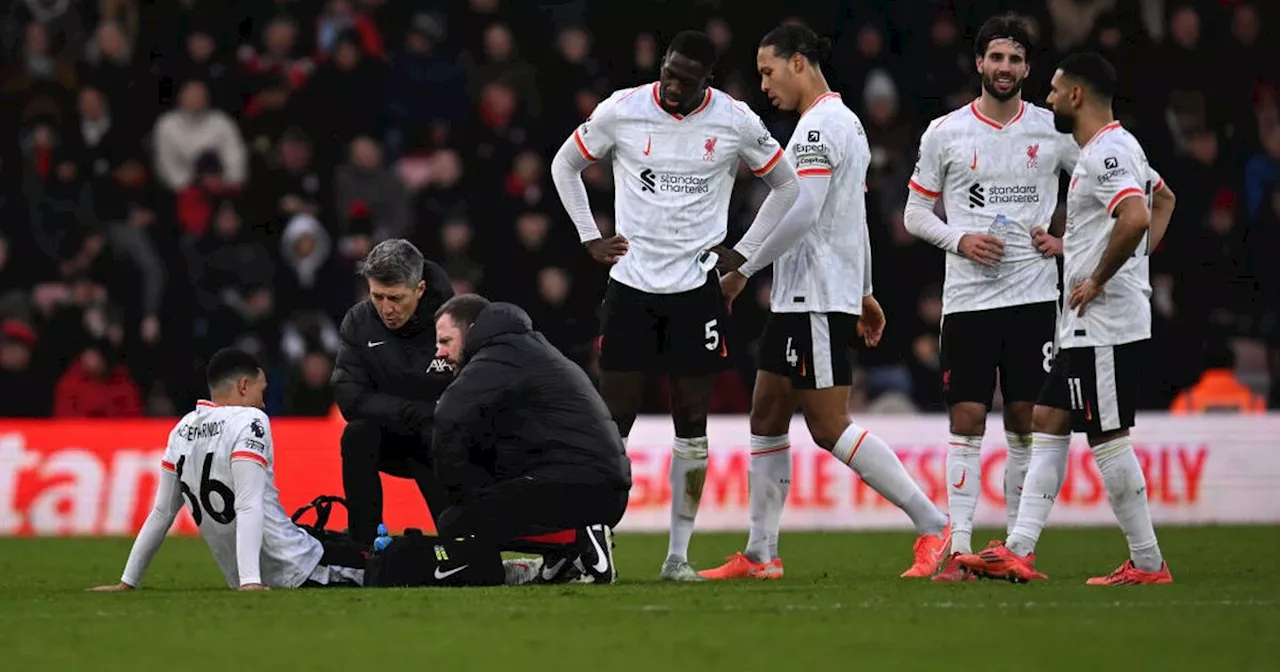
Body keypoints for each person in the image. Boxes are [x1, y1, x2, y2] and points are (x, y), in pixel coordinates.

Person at [699, 24, 952, 581]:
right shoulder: (842, 124)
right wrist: (863, 289)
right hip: (806, 294)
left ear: (798, 63)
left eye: (768, 71)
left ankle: (934, 524)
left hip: (812, 295)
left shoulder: (818, 129)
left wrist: (744, 267)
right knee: (765, 412)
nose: (764, 85)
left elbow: (806, 212)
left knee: (829, 425)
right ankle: (762, 554)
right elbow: (847, 217)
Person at [550, 30, 800, 581]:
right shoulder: (622, 109)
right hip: (631, 288)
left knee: (692, 423)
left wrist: (743, 254)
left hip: (696, 292)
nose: (672, 85)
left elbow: (787, 186)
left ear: (706, 81)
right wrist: (590, 235)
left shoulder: (733, 121)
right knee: (613, 422)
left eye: (686, 80)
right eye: (668, 71)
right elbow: (564, 164)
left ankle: (677, 557)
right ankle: (596, 547)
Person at [957, 52, 1177, 585]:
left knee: (1107, 435)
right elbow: (1163, 197)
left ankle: (1148, 562)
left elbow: (1138, 214)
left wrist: (1103, 277)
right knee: (1048, 419)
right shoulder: (1111, 150)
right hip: (1082, 322)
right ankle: (1018, 549)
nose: (1048, 98)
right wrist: (1119, 260)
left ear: (1077, 96)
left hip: (1103, 321)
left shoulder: (1106, 154)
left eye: (1055, 90)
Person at [903, 14, 1082, 580]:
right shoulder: (945, 132)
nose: (1005, 68)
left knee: (1026, 421)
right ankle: (957, 548)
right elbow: (912, 214)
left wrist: (1065, 240)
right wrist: (960, 238)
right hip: (968, 302)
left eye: (1015, 59)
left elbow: (1100, 192)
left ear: (1028, 68)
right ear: (979, 63)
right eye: (995, 58)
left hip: (1033, 300)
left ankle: (1013, 548)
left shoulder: (1054, 131)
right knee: (967, 418)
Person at [91, 348, 368, 591]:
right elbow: (247, 505)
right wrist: (250, 582)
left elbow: (162, 514)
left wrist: (127, 581)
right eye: (262, 390)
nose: (263, 401)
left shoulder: (182, 429)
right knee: (388, 562)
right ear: (244, 386)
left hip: (250, 572)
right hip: (297, 566)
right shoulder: (250, 420)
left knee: (347, 541)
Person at [430, 294, 633, 584]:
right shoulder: (525, 350)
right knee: (483, 495)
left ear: (472, 330)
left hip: (580, 489)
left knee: (457, 521)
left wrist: (457, 492)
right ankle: (563, 557)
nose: (439, 353)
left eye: (446, 341)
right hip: (596, 486)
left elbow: (448, 419)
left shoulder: (497, 357)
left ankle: (576, 538)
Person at [330, 239, 455, 544]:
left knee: (435, 441)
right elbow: (350, 397)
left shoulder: (455, 321)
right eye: (378, 296)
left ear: (420, 289)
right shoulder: (358, 322)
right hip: (393, 434)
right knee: (357, 435)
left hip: (445, 442)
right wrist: (412, 412)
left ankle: (462, 542)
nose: (386, 309)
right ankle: (364, 547)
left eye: (396, 298)